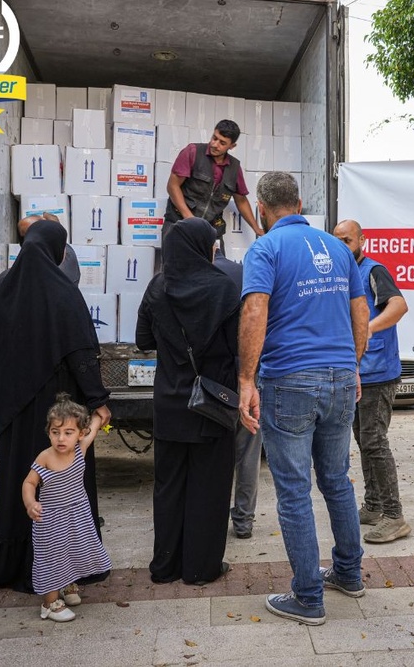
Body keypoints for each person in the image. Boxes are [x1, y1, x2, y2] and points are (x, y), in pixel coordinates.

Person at [239, 172, 369, 626]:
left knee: (294, 490)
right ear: (299, 203)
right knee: (336, 479)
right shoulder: (338, 248)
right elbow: (360, 312)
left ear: (260, 209)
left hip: (289, 379)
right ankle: (350, 574)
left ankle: (308, 596)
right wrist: (351, 365)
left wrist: (245, 379)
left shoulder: (265, 249)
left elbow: (255, 310)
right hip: (338, 380)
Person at [0, 220, 111, 595]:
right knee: (62, 484)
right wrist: (98, 400)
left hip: (17, 409)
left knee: (26, 479)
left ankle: (18, 563)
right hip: (59, 409)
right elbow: (81, 351)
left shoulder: (5, 287)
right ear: (56, 250)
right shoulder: (61, 290)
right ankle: (62, 567)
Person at [136, 218, 240, 584]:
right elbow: (237, 348)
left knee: (168, 487)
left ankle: (164, 566)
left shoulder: (157, 287)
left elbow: (143, 340)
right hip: (212, 403)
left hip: (168, 400)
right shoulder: (224, 289)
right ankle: (200, 567)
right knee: (209, 488)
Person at [333, 219, 411, 544]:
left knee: (375, 442)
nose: (343, 246)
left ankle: (395, 516)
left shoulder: (374, 271)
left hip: (378, 374)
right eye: (338, 241)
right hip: (356, 373)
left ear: (361, 240)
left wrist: (369, 328)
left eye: (348, 240)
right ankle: (374, 505)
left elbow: (399, 305)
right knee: (364, 441)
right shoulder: (341, 274)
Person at [23, 393, 111, 622]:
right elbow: (29, 482)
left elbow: (93, 426)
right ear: (49, 432)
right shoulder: (45, 457)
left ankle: (68, 583)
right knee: (51, 557)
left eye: (68, 432)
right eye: (55, 432)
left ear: (79, 434)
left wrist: (99, 413)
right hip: (51, 519)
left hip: (77, 515)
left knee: (74, 550)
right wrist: (30, 503)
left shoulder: (80, 449)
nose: (61, 438)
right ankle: (50, 603)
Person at [213, 247, 262, 540]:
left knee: (216, 451)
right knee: (249, 452)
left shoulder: (200, 276)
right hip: (250, 371)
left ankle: (214, 516)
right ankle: (243, 521)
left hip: (214, 378)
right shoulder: (245, 272)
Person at [163, 119, 264, 242]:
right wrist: (188, 217)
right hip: (179, 222)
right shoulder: (192, 152)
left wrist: (256, 228)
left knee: (216, 261)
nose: (215, 144)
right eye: (214, 138)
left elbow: (241, 201)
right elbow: (172, 186)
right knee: (175, 261)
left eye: (222, 143)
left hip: (210, 228)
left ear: (232, 146)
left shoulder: (235, 168)